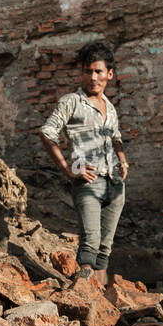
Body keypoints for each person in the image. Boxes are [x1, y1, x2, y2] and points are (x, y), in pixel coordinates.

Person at [38, 41, 129, 285]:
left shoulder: (110, 107)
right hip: (88, 183)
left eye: (98, 71)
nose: (93, 77)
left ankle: (105, 308)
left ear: (109, 74)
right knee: (89, 245)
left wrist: (122, 158)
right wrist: (67, 169)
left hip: (115, 186)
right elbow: (47, 133)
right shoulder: (72, 102)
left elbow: (116, 137)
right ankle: (84, 299)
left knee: (104, 251)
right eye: (87, 71)